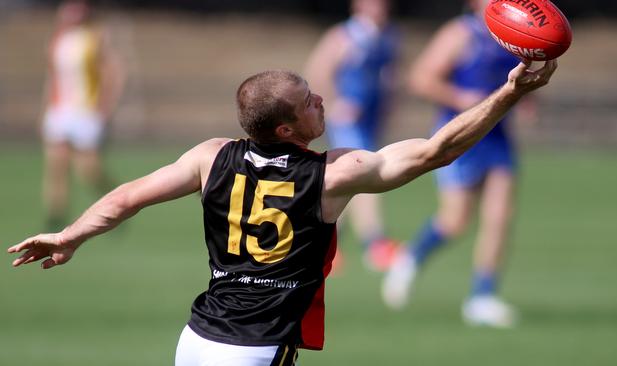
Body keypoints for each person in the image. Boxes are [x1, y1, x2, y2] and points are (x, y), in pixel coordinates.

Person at [9, 62, 556, 365]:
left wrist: (71, 235)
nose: (321, 100)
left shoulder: (209, 156)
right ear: (288, 130)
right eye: (309, 101)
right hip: (255, 348)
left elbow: (125, 197)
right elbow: (437, 151)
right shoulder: (331, 176)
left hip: (196, 340)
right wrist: (508, 92)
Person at [382, 0, 534, 328]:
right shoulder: (462, 33)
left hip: (498, 136)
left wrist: (528, 97)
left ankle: (482, 297)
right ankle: (410, 257)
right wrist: (459, 98)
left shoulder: (517, 35)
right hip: (459, 134)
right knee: (455, 221)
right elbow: (421, 78)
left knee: (499, 216)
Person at [304, 0, 399, 271]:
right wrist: (335, 103)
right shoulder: (343, 36)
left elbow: (388, 76)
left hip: (371, 120)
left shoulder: (389, 36)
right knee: (365, 172)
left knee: (347, 180)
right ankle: (376, 244)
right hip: (347, 121)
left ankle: (322, 243)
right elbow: (317, 72)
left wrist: (389, 107)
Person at [41, 0, 125, 231]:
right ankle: (56, 217)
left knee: (88, 169)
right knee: (56, 165)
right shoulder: (58, 40)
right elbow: (53, 77)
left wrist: (106, 107)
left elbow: (113, 74)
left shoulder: (94, 38)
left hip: (86, 112)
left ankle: (117, 205)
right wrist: (46, 107)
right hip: (60, 110)